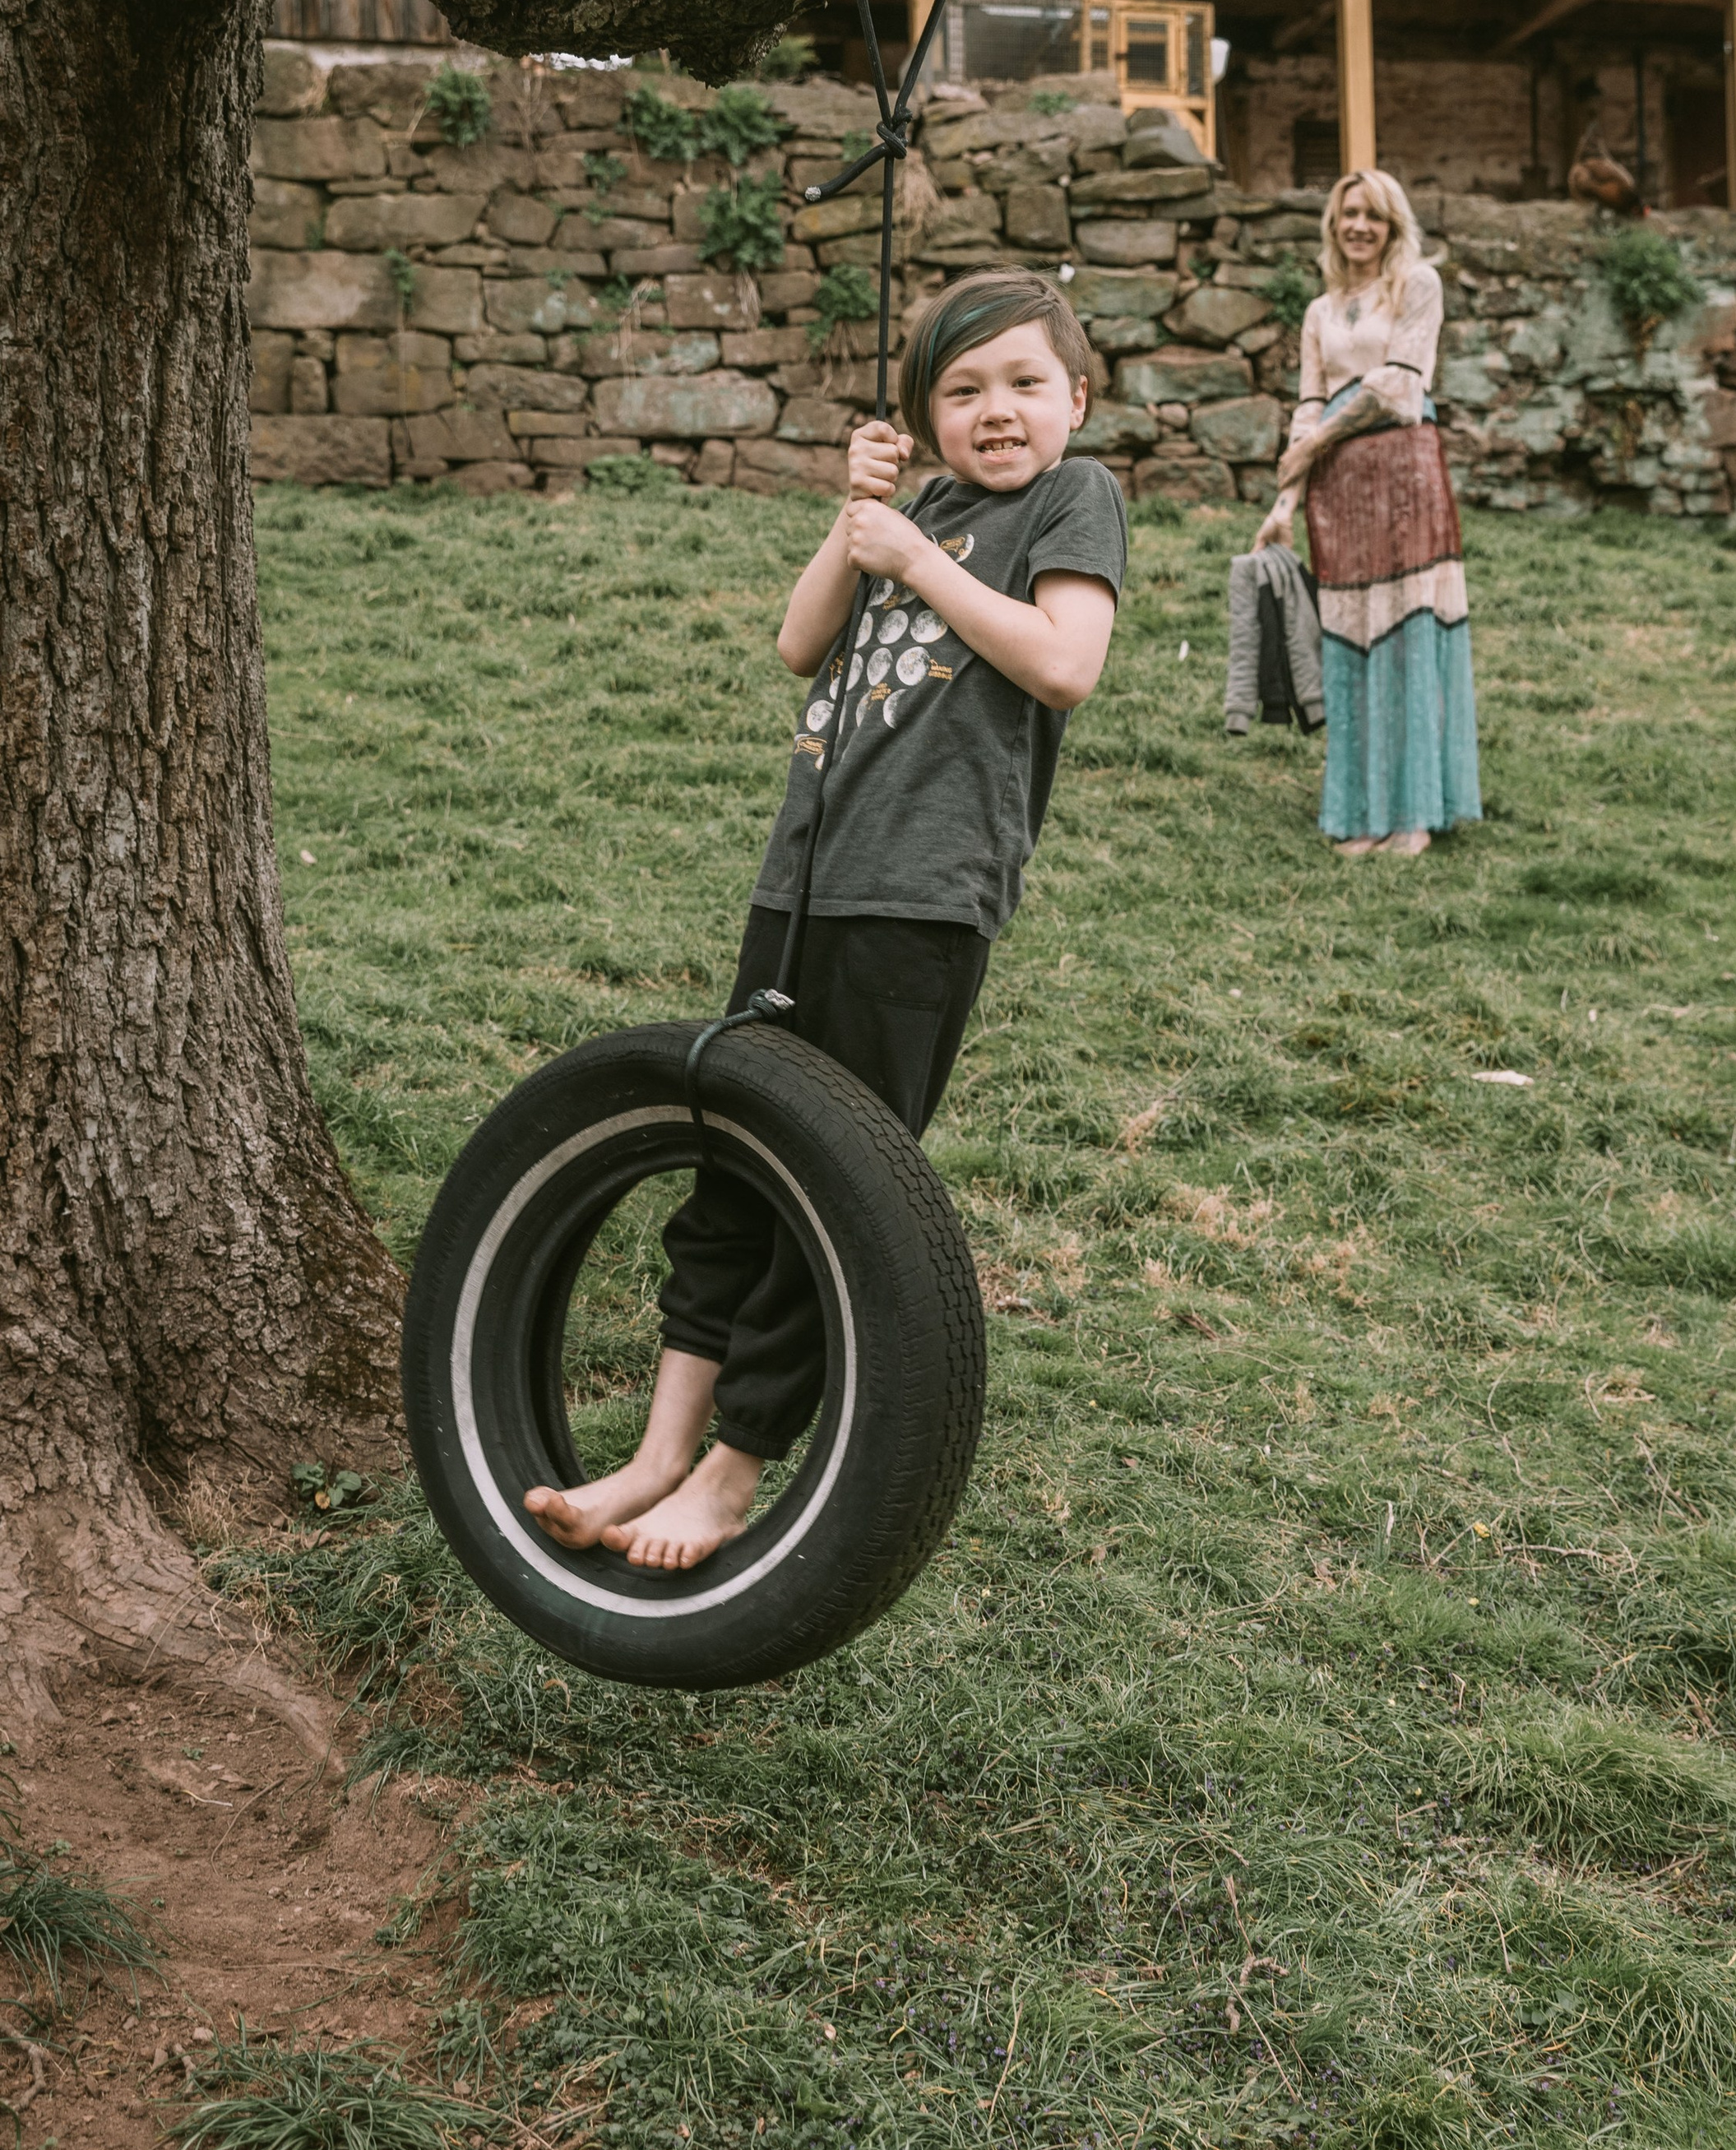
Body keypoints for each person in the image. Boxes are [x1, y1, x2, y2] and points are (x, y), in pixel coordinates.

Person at [525, 269, 1127, 1568]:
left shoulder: (1077, 501)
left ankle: (733, 1472)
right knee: (733, 1164)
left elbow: (1066, 665)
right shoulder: (919, 506)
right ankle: (653, 1457)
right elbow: (804, 643)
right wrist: (864, 515)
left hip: (920, 901)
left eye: (1026, 383)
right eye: (961, 392)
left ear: (1079, 397)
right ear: (924, 418)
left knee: (829, 1184)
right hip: (800, 883)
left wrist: (915, 559)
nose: (997, 411)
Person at [1253, 169, 1480, 859]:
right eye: (1348, 213)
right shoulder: (1321, 311)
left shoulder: (1418, 285)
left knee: (1406, 634)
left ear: (1392, 225)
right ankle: (1359, 812)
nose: (1359, 226)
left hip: (1404, 474)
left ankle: (1411, 813)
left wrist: (1316, 442)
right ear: (1333, 222)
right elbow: (1308, 404)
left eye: (1373, 216)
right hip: (1339, 490)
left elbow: (1398, 386)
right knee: (1352, 636)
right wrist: (1285, 503)